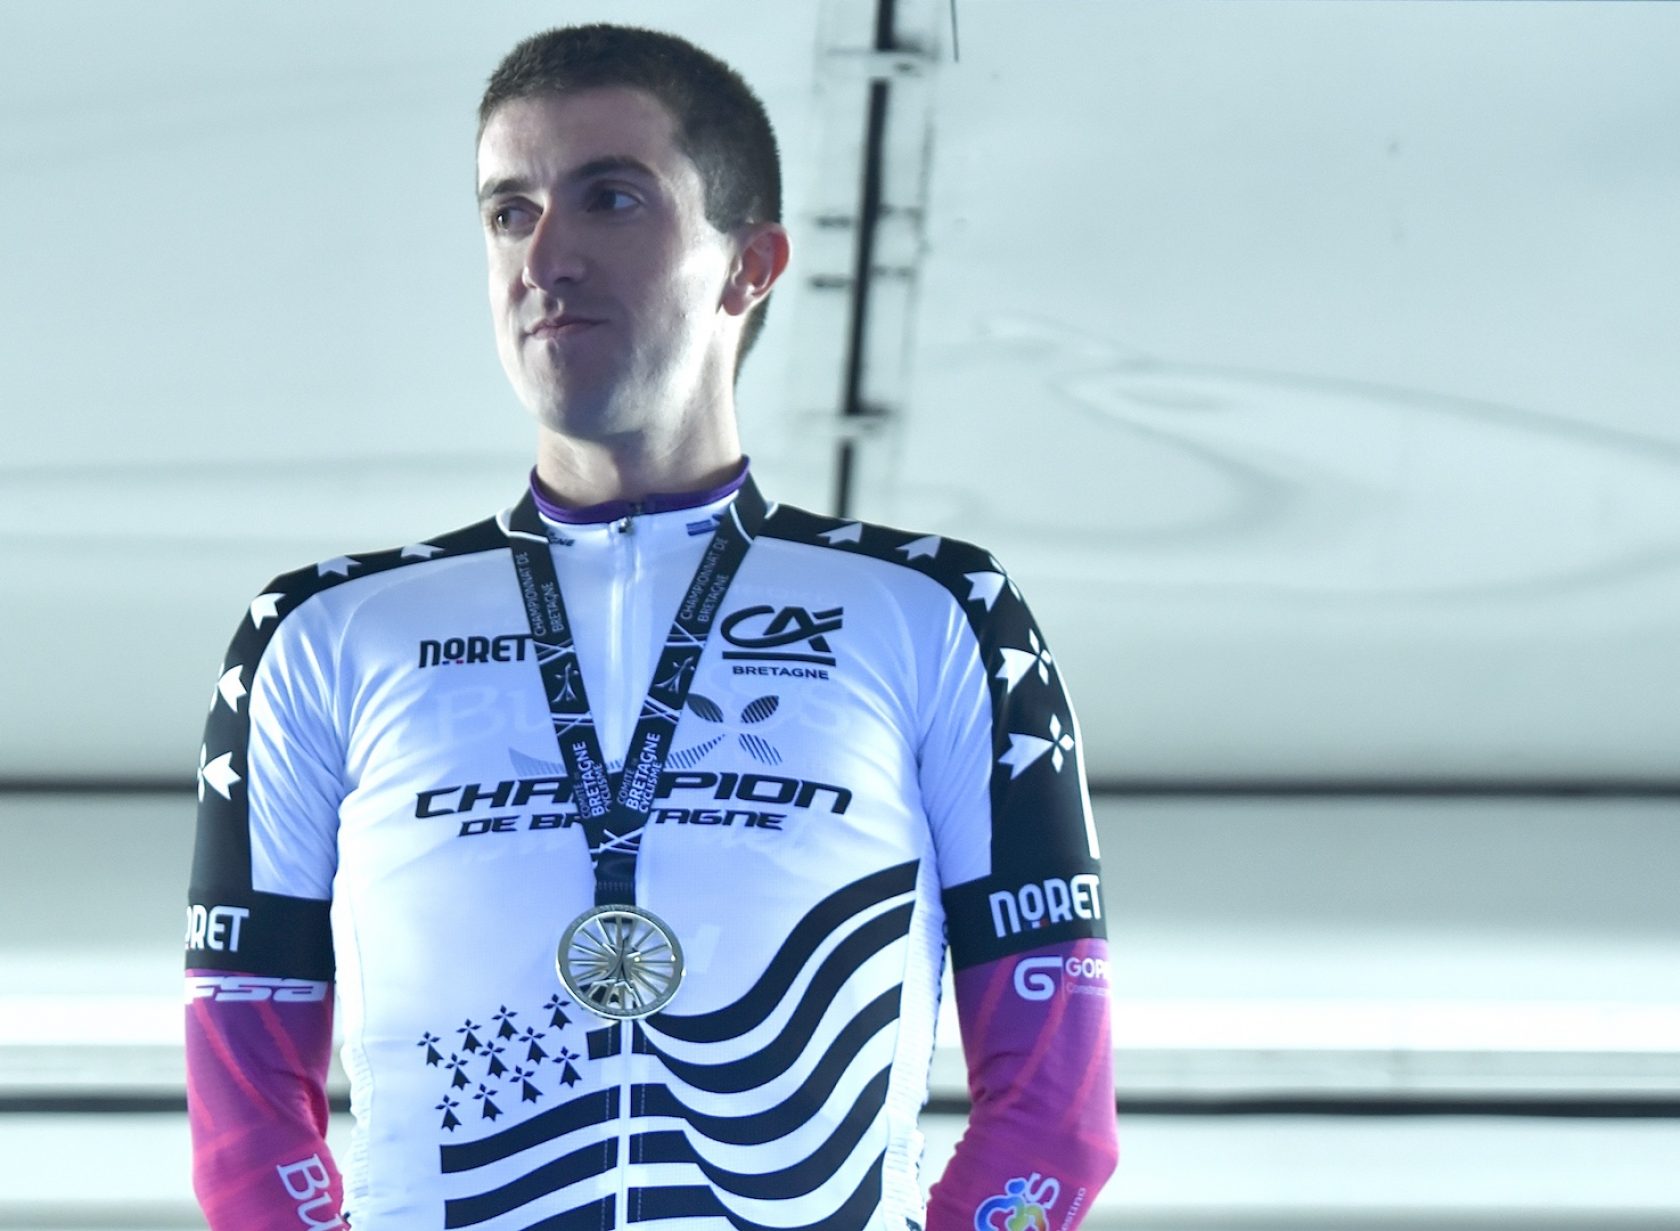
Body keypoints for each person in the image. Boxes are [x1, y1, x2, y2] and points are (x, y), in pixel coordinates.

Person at [185, 23, 1117, 1231]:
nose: (546, 258)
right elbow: (246, 1125)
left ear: (750, 266)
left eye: (610, 199)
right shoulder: (321, 633)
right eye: (509, 212)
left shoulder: (939, 612)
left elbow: (1055, 1117)